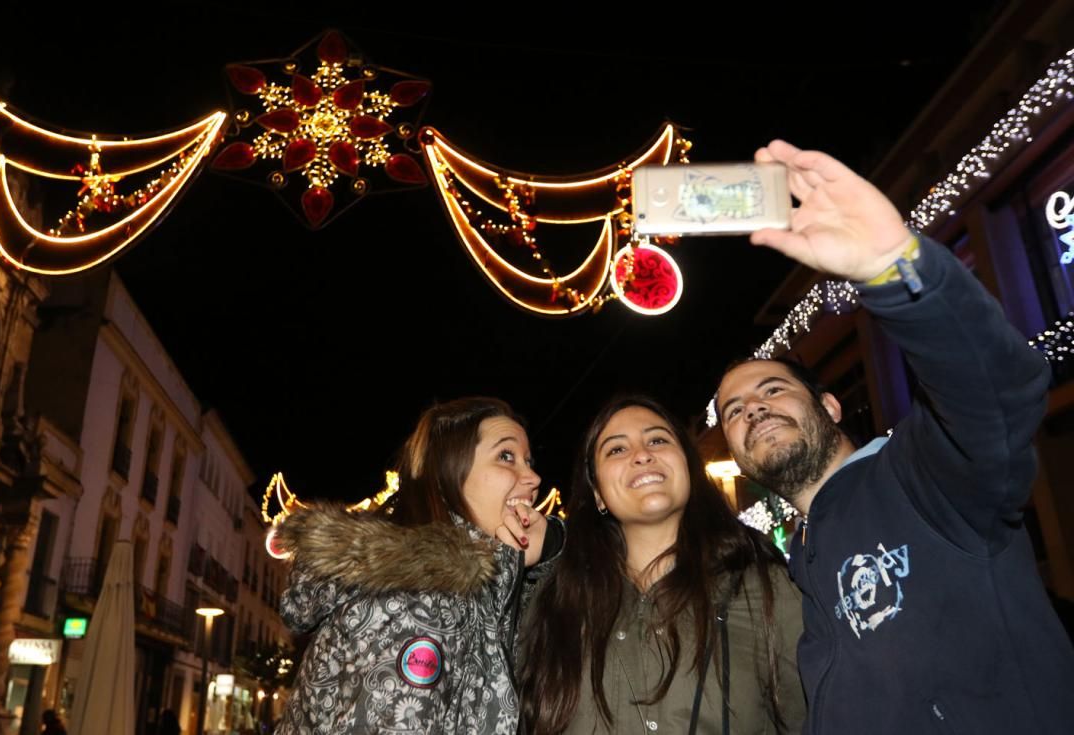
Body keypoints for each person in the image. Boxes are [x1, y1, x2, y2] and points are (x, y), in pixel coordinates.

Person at [714, 140, 1074, 733]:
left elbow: (999, 393)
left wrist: (894, 267)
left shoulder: (924, 475)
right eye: (733, 411)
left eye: (773, 390)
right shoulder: (797, 567)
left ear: (829, 405)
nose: (752, 409)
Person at [519, 395, 805, 734]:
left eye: (658, 440)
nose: (642, 455)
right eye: (616, 450)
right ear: (597, 493)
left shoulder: (765, 588)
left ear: (687, 466)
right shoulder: (553, 604)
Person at [273, 397, 559, 734]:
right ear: (447, 474)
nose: (534, 477)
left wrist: (551, 545)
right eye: (506, 456)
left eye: (528, 460)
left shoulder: (470, 597)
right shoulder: (415, 605)